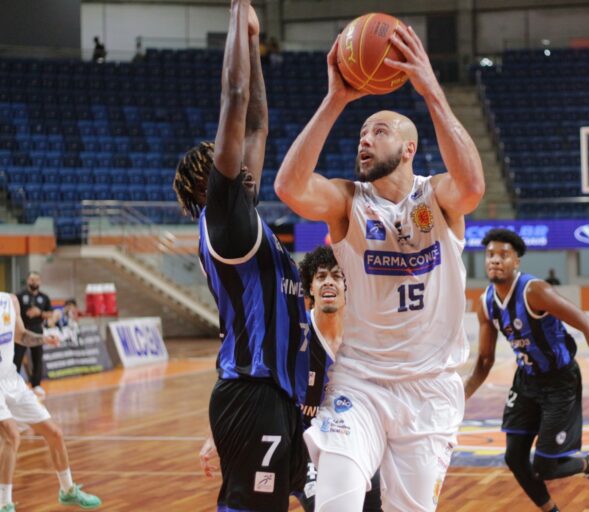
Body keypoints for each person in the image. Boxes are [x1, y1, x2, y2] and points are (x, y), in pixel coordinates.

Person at [274, 24, 485, 511]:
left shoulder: (439, 197)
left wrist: (432, 92)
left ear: (409, 148)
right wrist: (335, 101)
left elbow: (472, 186)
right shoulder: (348, 201)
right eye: (362, 133)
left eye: (380, 131)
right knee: (335, 503)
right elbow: (289, 188)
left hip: (430, 390)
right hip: (359, 382)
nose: (364, 140)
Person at [173, 3, 309, 511]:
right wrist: (236, 17)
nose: (246, 162)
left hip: (277, 394)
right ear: (213, 180)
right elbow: (235, 100)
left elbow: (257, 126)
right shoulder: (225, 218)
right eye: (230, 163)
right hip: (250, 394)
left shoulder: (244, 217)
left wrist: (254, 39)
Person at [463, 229, 589, 512]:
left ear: (516, 262)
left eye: (504, 255)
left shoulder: (535, 291)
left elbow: (588, 325)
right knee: (515, 458)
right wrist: (462, 395)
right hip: (526, 381)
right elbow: (484, 361)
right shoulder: (486, 304)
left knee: (545, 466)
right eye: (490, 254)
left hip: (559, 381)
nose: (495, 260)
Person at [199, 246, 384, 511]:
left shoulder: (362, 339)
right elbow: (242, 375)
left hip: (348, 438)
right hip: (299, 443)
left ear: (348, 287)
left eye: (336, 276)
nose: (328, 281)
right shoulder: (294, 332)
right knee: (324, 500)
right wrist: (213, 435)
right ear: (310, 288)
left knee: (373, 500)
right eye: (320, 277)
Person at [0, 292, 101, 511]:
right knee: (12, 436)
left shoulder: (10, 300)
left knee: (54, 433)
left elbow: (20, 335)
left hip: (11, 379)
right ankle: (4, 503)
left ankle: (67, 490)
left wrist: (43, 339)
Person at [15, 272, 53, 399]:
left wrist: (39, 312)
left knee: (37, 357)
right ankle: (15, 385)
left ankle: (36, 384)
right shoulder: (20, 295)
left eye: (36, 280)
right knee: (17, 358)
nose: (34, 282)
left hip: (37, 330)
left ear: (40, 282)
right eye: (32, 279)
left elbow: (50, 314)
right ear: (27, 281)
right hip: (22, 331)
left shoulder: (44, 297)